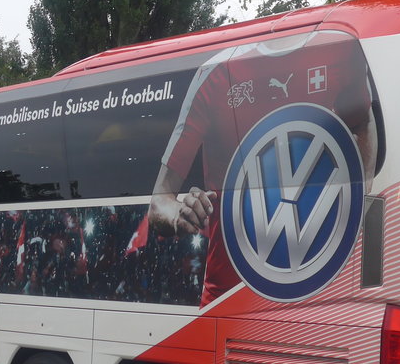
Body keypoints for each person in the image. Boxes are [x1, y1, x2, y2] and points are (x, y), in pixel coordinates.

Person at [149, 29, 378, 306]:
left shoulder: (343, 49)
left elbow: (362, 121)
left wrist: (363, 196)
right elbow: (160, 199)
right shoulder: (216, 73)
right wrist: (179, 215)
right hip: (231, 293)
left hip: (324, 285)